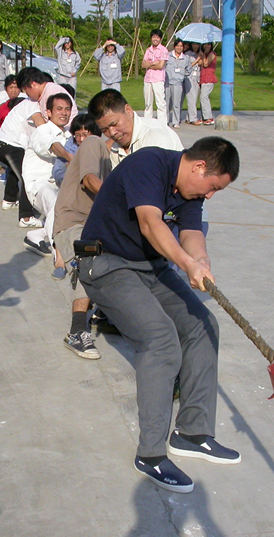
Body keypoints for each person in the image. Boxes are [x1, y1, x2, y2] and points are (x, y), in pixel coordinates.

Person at [77, 137, 241, 493]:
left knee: (203, 325)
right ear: (199, 168)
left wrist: (201, 263)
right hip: (104, 264)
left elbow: (192, 233)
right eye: (213, 187)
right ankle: (150, 454)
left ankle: (193, 433)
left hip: (149, 267)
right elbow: (151, 224)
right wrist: (185, 264)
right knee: (159, 338)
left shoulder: (191, 192)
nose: (210, 195)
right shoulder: (149, 164)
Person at [52, 128, 111, 359]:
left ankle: (105, 315)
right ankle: (77, 331)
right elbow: (89, 180)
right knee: (89, 258)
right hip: (73, 223)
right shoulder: (93, 143)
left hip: (95, 225)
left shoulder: (115, 157)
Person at [21, 92, 73, 257]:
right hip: (38, 185)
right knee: (56, 205)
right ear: (48, 112)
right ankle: (60, 253)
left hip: (60, 186)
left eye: (67, 109)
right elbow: (53, 146)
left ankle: (36, 236)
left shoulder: (70, 135)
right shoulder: (42, 131)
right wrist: (71, 157)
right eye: (59, 109)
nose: (63, 113)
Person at [87, 89, 182, 169]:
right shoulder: (116, 147)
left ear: (128, 110)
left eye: (115, 124)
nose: (112, 133)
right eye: (104, 130)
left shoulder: (156, 137)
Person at [0, 96, 40, 222]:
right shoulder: (33, 106)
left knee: (15, 170)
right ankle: (26, 217)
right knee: (27, 176)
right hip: (11, 146)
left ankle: (9, 199)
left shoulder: (24, 105)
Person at [141, 28, 168, 123]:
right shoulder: (148, 50)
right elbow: (143, 64)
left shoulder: (163, 50)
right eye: (153, 37)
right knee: (148, 103)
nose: (155, 39)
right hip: (148, 79)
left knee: (160, 103)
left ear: (160, 39)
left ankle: (162, 124)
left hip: (158, 79)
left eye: (157, 37)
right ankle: (147, 123)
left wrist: (150, 64)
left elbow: (161, 65)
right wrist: (154, 63)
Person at [165, 40, 192, 129]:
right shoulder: (168, 56)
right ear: (174, 46)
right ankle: (165, 120)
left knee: (177, 103)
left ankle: (176, 121)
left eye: (181, 46)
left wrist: (182, 76)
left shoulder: (185, 58)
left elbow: (189, 70)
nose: (179, 48)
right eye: (177, 46)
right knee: (167, 103)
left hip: (178, 83)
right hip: (168, 83)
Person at [198, 42, 217, 125]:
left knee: (204, 97)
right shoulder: (204, 54)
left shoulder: (212, 54)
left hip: (209, 78)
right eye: (205, 44)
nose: (207, 46)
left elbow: (206, 64)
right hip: (203, 77)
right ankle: (204, 116)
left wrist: (202, 55)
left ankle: (209, 117)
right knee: (202, 98)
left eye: (209, 45)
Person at [184, 41, 202, 125]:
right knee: (191, 97)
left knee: (194, 99)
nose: (195, 46)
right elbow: (188, 66)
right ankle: (193, 118)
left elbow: (202, 64)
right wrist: (197, 60)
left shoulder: (199, 54)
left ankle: (188, 118)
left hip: (197, 78)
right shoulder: (188, 54)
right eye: (194, 44)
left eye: (197, 44)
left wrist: (201, 57)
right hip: (189, 77)